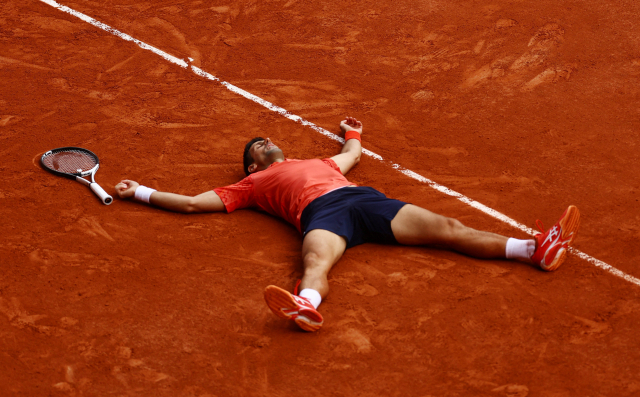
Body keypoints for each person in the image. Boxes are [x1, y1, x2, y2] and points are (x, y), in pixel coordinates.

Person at [115, 117, 580, 332]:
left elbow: (352, 156)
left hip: (362, 201)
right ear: (251, 166)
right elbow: (194, 204)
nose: (266, 142)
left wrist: (351, 134)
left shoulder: (320, 161)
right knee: (316, 259)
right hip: (321, 216)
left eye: (268, 138)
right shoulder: (251, 186)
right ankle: (305, 305)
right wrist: (139, 191)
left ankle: (531, 249)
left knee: (449, 228)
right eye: (257, 145)